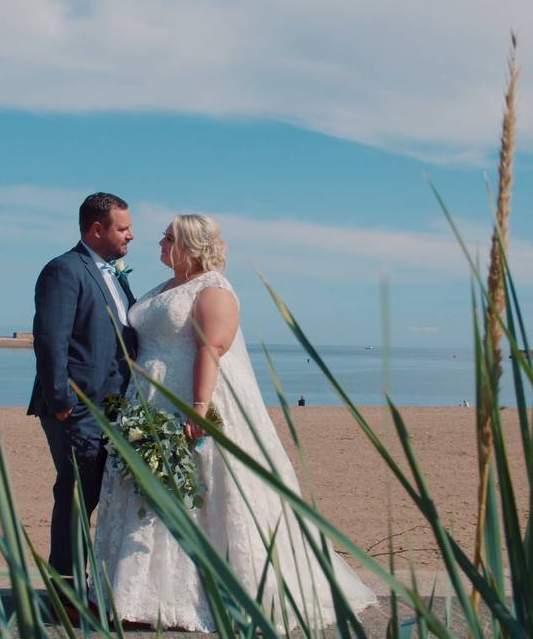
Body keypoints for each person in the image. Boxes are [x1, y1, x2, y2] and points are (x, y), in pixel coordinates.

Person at [93, 214, 376, 631]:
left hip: (188, 396)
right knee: (149, 491)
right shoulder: (165, 287)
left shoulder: (212, 289)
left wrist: (200, 406)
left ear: (189, 244)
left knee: (199, 488)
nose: (159, 241)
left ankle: (204, 592)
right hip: (147, 398)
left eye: (168, 237)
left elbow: (211, 347)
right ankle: (137, 593)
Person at [27, 192, 138, 586]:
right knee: (76, 497)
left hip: (113, 409)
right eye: (123, 228)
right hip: (78, 409)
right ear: (96, 229)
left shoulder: (114, 274)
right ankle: (67, 591)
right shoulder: (64, 270)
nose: (131, 236)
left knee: (98, 496)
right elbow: (49, 340)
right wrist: (62, 403)